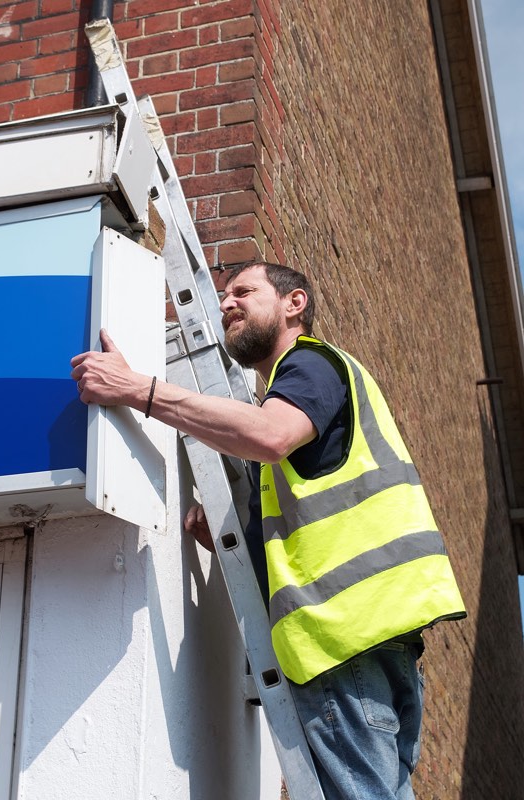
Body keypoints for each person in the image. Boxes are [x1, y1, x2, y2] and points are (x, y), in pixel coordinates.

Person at [71, 261, 466, 800]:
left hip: (340, 639)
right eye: (223, 295)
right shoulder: (312, 387)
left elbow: (272, 435)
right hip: (380, 636)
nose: (227, 302)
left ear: (293, 304)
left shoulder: (308, 365)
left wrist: (140, 389)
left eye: (244, 291)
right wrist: (236, 536)